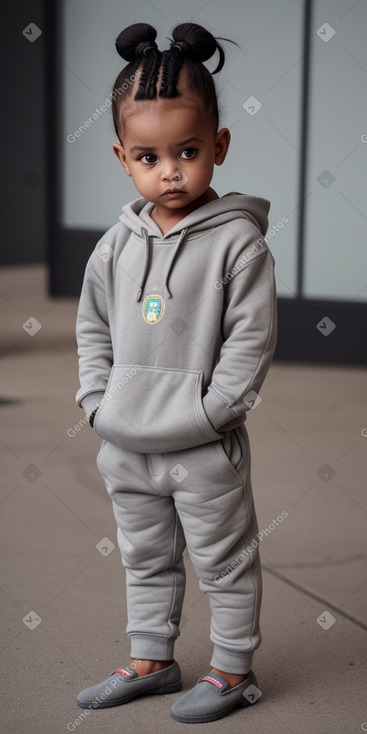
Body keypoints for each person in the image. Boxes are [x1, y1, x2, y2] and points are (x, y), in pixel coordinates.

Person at [75, 21, 277, 724]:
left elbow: (250, 340)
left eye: (188, 152)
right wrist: (96, 402)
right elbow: (92, 325)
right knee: (145, 556)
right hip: (125, 440)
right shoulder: (114, 246)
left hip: (199, 444)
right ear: (122, 158)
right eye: (148, 156)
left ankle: (232, 670)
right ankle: (152, 659)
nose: (170, 171)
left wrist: (213, 410)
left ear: (218, 146)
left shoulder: (238, 245)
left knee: (223, 558)